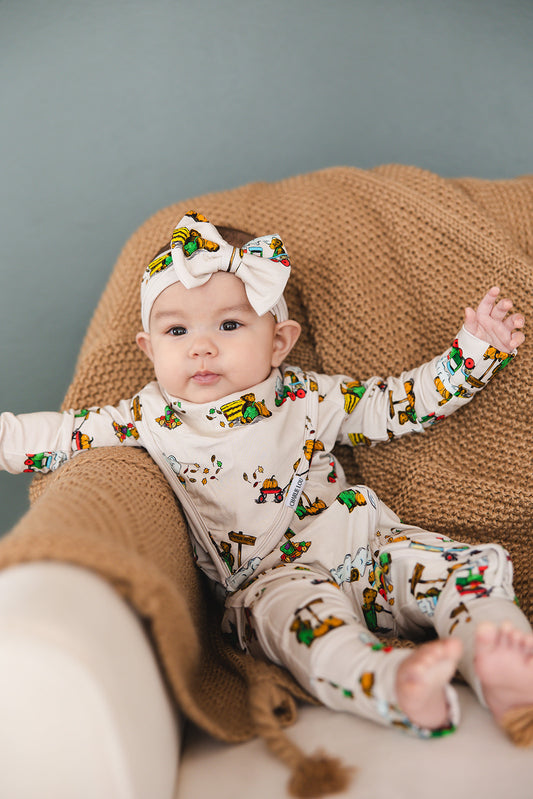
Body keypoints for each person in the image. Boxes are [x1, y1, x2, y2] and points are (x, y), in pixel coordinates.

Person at [1, 210, 531, 739]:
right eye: (177, 330)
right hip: (270, 583)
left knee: (458, 569)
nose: (201, 346)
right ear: (150, 348)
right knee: (311, 633)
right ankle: (392, 682)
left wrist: (472, 353)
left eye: (230, 325)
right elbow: (59, 435)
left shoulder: (308, 396)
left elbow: (396, 405)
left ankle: (499, 656)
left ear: (278, 342)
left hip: (367, 543)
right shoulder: (146, 418)